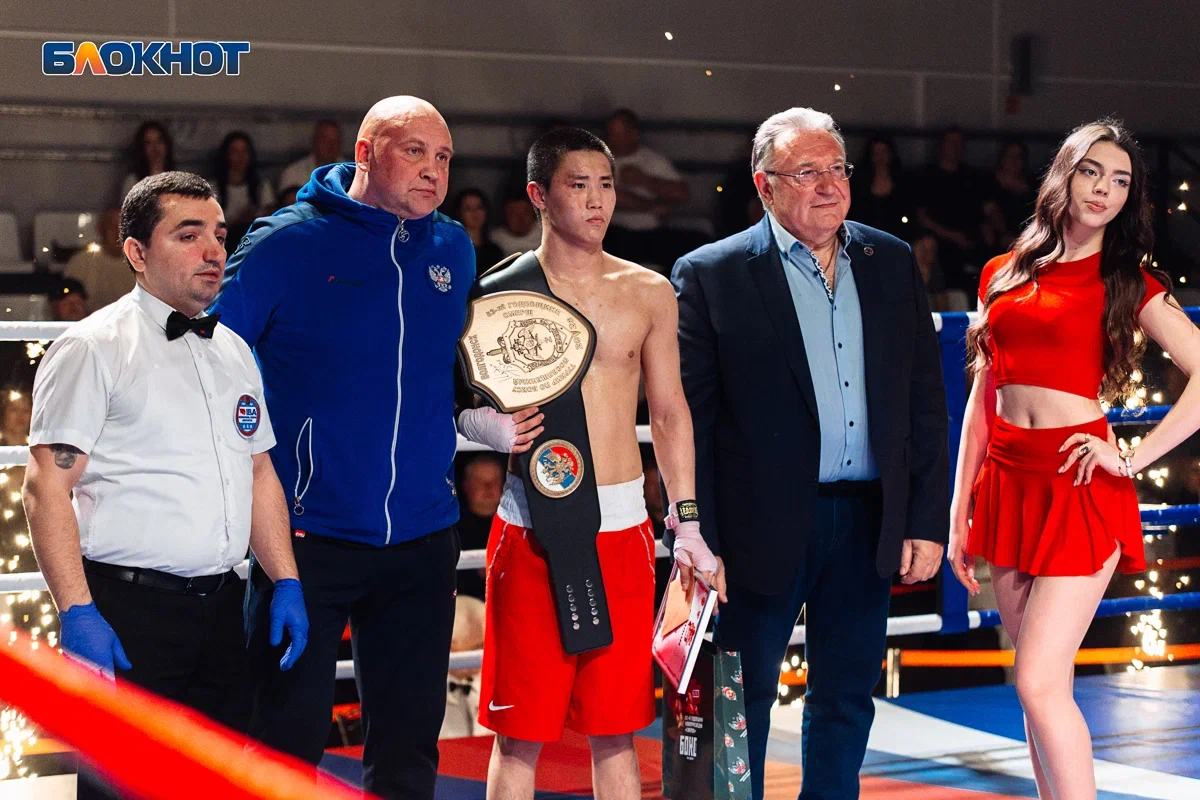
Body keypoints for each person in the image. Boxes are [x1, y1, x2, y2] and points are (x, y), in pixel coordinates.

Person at [214, 96, 538, 800]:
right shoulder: (286, 243)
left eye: (443, 157)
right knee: (282, 746)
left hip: (421, 537)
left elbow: (446, 370)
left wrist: (473, 419)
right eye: (414, 151)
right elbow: (209, 359)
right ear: (364, 153)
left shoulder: (452, 247)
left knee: (409, 752)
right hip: (306, 539)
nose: (433, 171)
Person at [672, 107, 949, 800]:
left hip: (869, 519)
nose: (829, 186)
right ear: (764, 185)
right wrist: (699, 532)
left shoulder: (891, 259)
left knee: (847, 697)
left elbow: (924, 399)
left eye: (837, 169)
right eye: (806, 172)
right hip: (753, 527)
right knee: (739, 698)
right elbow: (690, 421)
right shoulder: (711, 274)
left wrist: (925, 518)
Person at [23, 173, 308, 796]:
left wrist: (285, 578)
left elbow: (258, 470)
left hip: (225, 609)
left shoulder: (235, 350)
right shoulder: (93, 347)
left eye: (220, 235)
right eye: (188, 235)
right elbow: (46, 486)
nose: (213, 251)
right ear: (136, 252)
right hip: (130, 611)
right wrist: (76, 610)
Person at [948, 119, 1195, 799]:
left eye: (1121, 181)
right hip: (1006, 482)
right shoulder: (1003, 271)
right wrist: (958, 507)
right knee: (1038, 689)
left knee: (1037, 682)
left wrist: (1133, 457)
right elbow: (983, 399)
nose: (1104, 190)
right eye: (1093, 171)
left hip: (1078, 482)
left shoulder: (1127, 280)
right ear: (1065, 173)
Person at [476, 127, 715, 800]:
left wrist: (688, 522)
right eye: (578, 185)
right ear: (538, 195)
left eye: (605, 185)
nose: (597, 201)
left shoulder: (649, 291)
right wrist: (482, 426)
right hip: (532, 528)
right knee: (519, 734)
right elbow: (456, 402)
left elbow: (669, 413)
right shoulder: (501, 290)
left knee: (617, 730)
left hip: (623, 531)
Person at [602, 108, 705, 272]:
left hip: (651, 233)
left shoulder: (652, 160)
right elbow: (611, 196)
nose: (613, 139)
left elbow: (682, 193)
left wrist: (643, 180)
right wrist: (651, 207)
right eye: (611, 134)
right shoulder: (601, 160)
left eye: (619, 134)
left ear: (634, 134)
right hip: (614, 233)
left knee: (697, 241)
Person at [213, 131, 276, 253]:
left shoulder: (261, 185)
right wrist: (237, 221)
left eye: (245, 151)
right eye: (235, 152)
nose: (241, 157)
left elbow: (272, 218)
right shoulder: (214, 187)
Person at [62, 208, 135, 311]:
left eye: (123, 227)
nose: (118, 232)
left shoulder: (142, 263)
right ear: (100, 229)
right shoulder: (80, 262)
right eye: (112, 227)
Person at [457, 454, 505, 599]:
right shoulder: (452, 529)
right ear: (466, 486)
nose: (488, 487)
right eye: (479, 481)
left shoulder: (517, 525)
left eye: (494, 481)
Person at [848, 134, 913, 240]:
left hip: (896, 236)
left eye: (884, 152)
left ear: (891, 154)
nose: (880, 157)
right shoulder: (859, 184)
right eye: (876, 153)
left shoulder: (902, 183)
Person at [279, 119, 344, 201]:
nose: (330, 146)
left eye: (335, 141)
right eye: (325, 140)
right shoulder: (293, 173)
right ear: (314, 141)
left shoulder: (353, 173)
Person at [449, 188, 504, 273]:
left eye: (479, 207)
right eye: (468, 208)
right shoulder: (451, 249)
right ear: (459, 213)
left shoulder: (494, 251)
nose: (474, 213)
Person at [119, 121, 175, 201]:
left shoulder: (178, 180)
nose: (155, 148)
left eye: (159, 141)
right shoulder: (132, 182)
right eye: (148, 143)